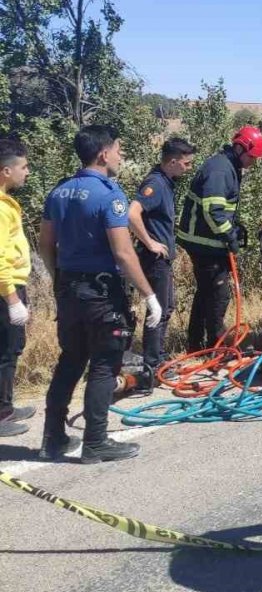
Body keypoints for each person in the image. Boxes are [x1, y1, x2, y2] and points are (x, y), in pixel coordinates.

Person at [38, 125, 162, 464]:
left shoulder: (58, 192)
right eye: (118, 149)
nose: (121, 155)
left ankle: (52, 439)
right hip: (102, 295)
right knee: (104, 366)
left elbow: (45, 245)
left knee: (69, 361)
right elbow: (123, 253)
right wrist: (149, 295)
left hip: (69, 290)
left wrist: (58, 280)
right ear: (103, 153)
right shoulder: (110, 195)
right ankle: (95, 442)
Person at [177, 125, 262, 351]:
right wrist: (230, 235)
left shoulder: (228, 166)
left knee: (205, 293)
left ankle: (196, 346)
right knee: (218, 294)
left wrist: (235, 228)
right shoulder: (220, 169)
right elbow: (213, 210)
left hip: (208, 241)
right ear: (240, 148)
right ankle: (216, 345)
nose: (252, 162)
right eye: (252, 157)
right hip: (204, 243)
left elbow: (221, 209)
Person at [129, 135, 195, 374]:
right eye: (186, 163)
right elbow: (132, 213)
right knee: (158, 310)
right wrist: (150, 243)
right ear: (174, 161)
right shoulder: (155, 184)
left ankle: (157, 358)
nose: (188, 168)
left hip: (162, 260)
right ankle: (152, 365)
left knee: (166, 308)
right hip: (154, 260)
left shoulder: (166, 183)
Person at [0, 137, 32, 438]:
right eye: (23, 167)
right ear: (5, 171)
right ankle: (1, 414)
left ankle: (5, 404)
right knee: (5, 351)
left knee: (10, 349)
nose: (27, 172)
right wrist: (11, 299)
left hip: (10, 286)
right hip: (4, 289)